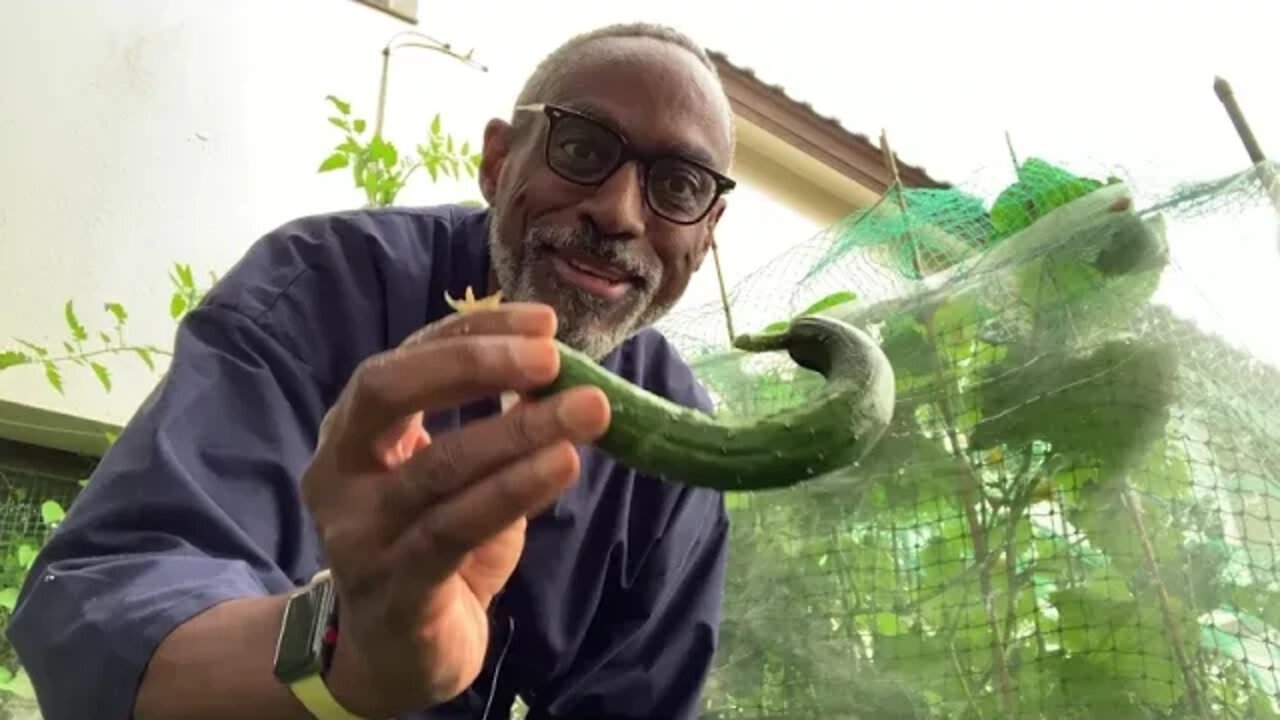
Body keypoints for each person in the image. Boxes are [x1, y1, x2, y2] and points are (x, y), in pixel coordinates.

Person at [7, 20, 741, 720]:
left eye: (678, 187)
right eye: (581, 150)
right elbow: (117, 605)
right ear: (497, 163)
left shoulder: (680, 456)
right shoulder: (321, 286)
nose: (618, 213)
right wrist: (346, 657)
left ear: (705, 238)